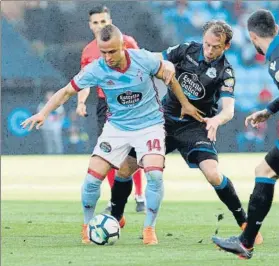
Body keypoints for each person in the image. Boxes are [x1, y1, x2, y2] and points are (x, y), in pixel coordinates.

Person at [21, 25, 203, 245]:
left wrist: (185, 104)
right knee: (91, 180)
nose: (107, 57)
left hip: (149, 125)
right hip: (116, 128)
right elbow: (67, 91)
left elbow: (169, 74)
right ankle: (87, 226)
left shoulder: (142, 59)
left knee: (154, 175)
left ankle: (149, 228)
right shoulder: (96, 69)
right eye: (103, 51)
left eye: (112, 52)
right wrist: (43, 113)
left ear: (123, 46)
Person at [108, 19, 263, 246]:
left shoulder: (226, 72)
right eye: (207, 44)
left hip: (195, 126)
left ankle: (244, 222)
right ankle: (116, 216)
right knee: (125, 167)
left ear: (226, 46)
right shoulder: (187, 50)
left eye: (216, 47)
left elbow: (228, 110)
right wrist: (130, 55)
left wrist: (216, 120)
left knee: (213, 174)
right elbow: (156, 58)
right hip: (162, 120)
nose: (209, 50)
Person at [212, 9, 279, 259]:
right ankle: (246, 241)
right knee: (265, 170)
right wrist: (270, 110)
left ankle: (246, 242)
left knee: (265, 171)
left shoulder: (275, 56)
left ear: (252, 36)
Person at [75, 5, 145, 213]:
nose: (99, 26)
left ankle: (140, 195)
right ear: (90, 25)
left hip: (130, 102)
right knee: (107, 154)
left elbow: (143, 67)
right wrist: (80, 102)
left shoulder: (128, 42)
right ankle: (116, 198)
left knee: (132, 152)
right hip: (105, 105)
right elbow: (83, 80)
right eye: (95, 22)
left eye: (103, 21)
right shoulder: (88, 51)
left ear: (110, 21)